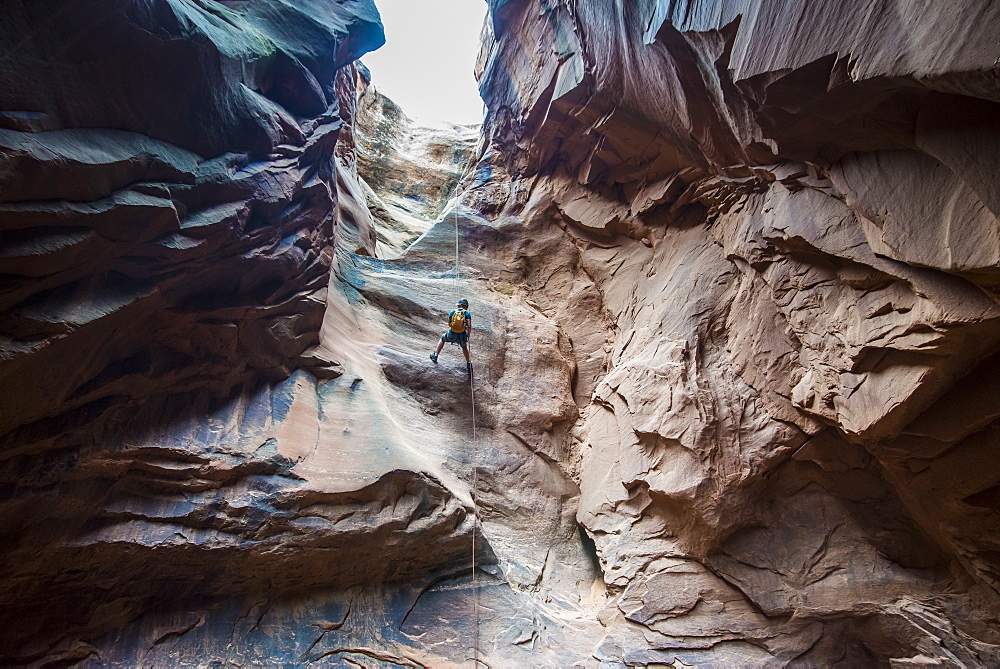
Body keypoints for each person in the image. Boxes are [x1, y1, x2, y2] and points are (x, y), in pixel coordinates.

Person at [430, 298, 473, 374]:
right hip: (462, 334)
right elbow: (469, 325)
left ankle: (435, 355)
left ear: (459, 305)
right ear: (466, 306)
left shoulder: (453, 312)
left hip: (452, 333)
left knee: (443, 339)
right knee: (464, 347)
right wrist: (468, 335)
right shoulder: (467, 313)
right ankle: (468, 363)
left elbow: (449, 324)